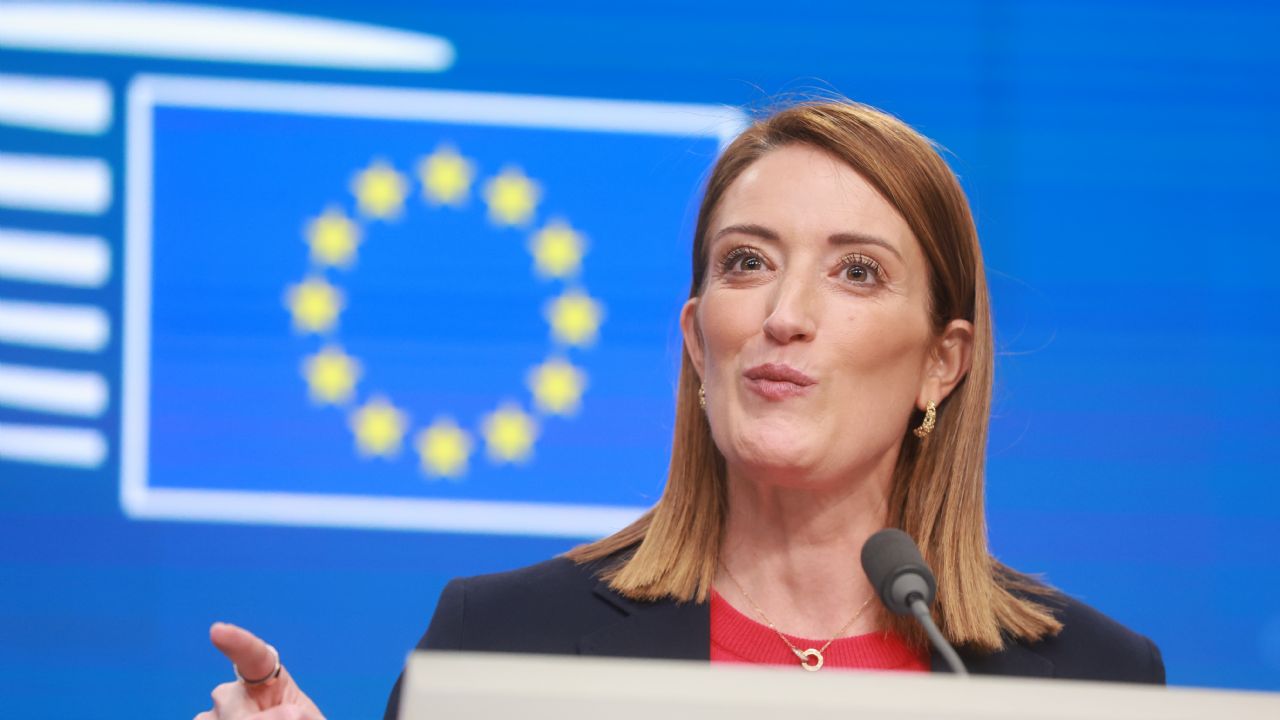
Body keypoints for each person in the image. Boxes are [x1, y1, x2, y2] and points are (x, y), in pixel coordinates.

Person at [195, 100, 1165, 720]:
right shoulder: (503, 641)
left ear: (940, 366)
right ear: (699, 339)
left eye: (856, 272)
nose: (784, 314)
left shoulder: (1094, 684)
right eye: (747, 262)